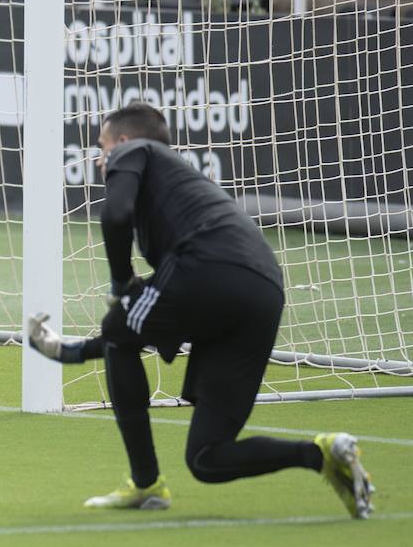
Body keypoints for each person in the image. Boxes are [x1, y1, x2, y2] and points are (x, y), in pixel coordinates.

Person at [26, 101, 374, 518]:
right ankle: (322, 454)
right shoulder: (175, 190)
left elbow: (114, 215)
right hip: (263, 290)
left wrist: (122, 283)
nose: (101, 159)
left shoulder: (135, 151)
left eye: (102, 147)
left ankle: (146, 484)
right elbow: (144, 324)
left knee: (119, 327)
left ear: (122, 140)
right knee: (208, 457)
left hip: (210, 267)